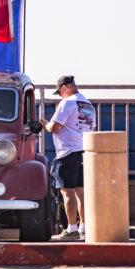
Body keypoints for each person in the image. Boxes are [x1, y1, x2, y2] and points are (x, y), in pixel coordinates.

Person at [40, 75, 96, 241]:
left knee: (67, 192)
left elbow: (55, 127)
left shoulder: (68, 102)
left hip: (68, 153)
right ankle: (84, 228)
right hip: (84, 151)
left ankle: (71, 229)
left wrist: (45, 123)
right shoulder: (88, 104)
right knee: (81, 192)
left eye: (60, 92)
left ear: (64, 87)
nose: (60, 95)